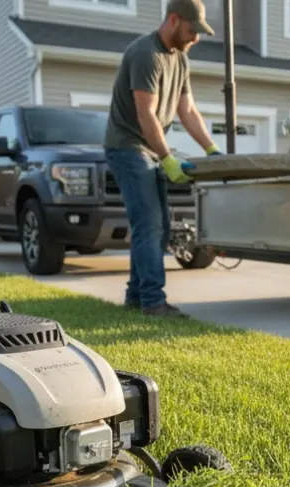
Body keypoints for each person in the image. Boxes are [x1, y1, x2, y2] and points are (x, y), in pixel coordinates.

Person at [104, 0, 223, 317]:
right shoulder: (146, 54)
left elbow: (188, 111)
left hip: (149, 148)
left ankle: (136, 295)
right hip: (127, 146)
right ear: (173, 20)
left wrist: (211, 149)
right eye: (191, 30)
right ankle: (153, 302)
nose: (196, 38)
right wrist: (168, 158)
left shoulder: (180, 60)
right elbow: (146, 115)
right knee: (149, 224)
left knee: (159, 225)